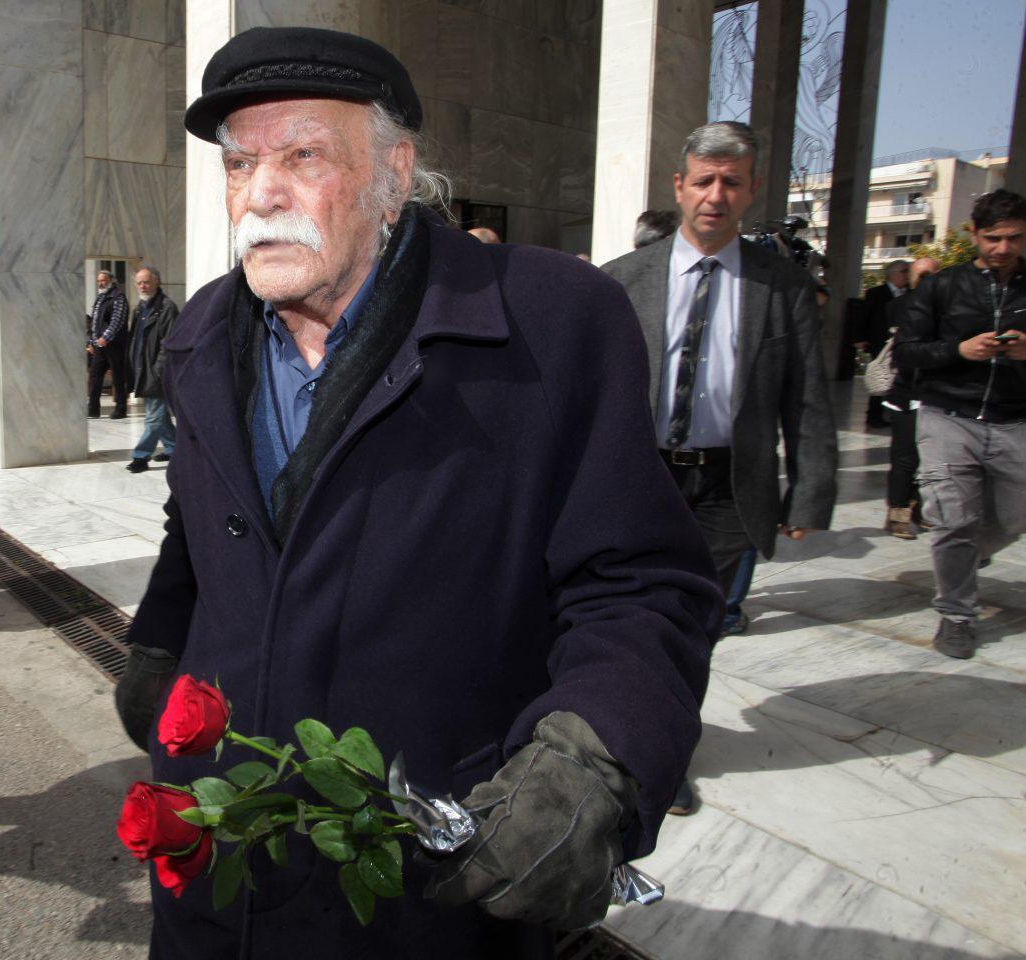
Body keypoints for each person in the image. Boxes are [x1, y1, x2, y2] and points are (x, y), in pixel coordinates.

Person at [114, 26, 720, 959]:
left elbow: (639, 582)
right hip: (222, 860)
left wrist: (591, 752)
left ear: (394, 173)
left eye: (302, 156)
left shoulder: (550, 323)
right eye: (239, 163)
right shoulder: (200, 329)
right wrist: (158, 649)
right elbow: (194, 525)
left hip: (425, 876)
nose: (260, 193)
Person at [602, 120, 838, 814]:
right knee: (626, 618)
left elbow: (807, 393)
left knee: (693, 627)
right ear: (679, 186)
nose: (715, 195)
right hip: (640, 478)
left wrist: (810, 491)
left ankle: (665, 753)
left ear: (751, 190)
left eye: (730, 182)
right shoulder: (624, 279)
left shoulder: (781, 286)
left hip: (727, 487)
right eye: (703, 180)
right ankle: (611, 734)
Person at [894, 188, 1026, 659]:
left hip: (1015, 420)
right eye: (993, 238)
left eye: (1014, 238)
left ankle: (968, 554)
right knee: (953, 519)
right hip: (948, 416)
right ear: (974, 234)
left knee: (1013, 517)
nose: (1003, 248)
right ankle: (956, 615)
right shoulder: (942, 287)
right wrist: (959, 350)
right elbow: (906, 353)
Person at [881, 257, 941, 539]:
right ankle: (898, 513)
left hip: (939, 396)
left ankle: (918, 508)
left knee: (931, 460)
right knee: (905, 458)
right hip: (907, 394)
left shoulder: (950, 306)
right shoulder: (901, 306)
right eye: (922, 275)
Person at [126, 266, 179, 472]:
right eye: (139, 283)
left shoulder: (166, 308)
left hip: (158, 372)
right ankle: (175, 449)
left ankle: (141, 456)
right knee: (159, 416)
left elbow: (169, 342)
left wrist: (158, 371)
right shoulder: (140, 308)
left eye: (146, 282)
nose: (142, 286)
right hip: (143, 370)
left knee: (153, 417)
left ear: (157, 282)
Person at [856, 259, 910, 428]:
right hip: (881, 343)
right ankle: (874, 416)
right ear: (892, 274)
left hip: (904, 343)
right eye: (904, 271)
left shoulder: (912, 293)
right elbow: (864, 316)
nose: (907, 275)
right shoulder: (875, 293)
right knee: (880, 377)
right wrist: (859, 338)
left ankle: (897, 415)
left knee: (901, 380)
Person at [86, 269, 130, 419]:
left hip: (115, 345)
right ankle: (93, 409)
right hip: (99, 346)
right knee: (95, 375)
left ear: (111, 281)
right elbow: (94, 323)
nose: (101, 283)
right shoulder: (100, 298)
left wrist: (105, 338)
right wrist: (92, 341)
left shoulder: (118, 297)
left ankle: (121, 409)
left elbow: (117, 321)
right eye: (99, 281)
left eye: (103, 280)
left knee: (118, 377)